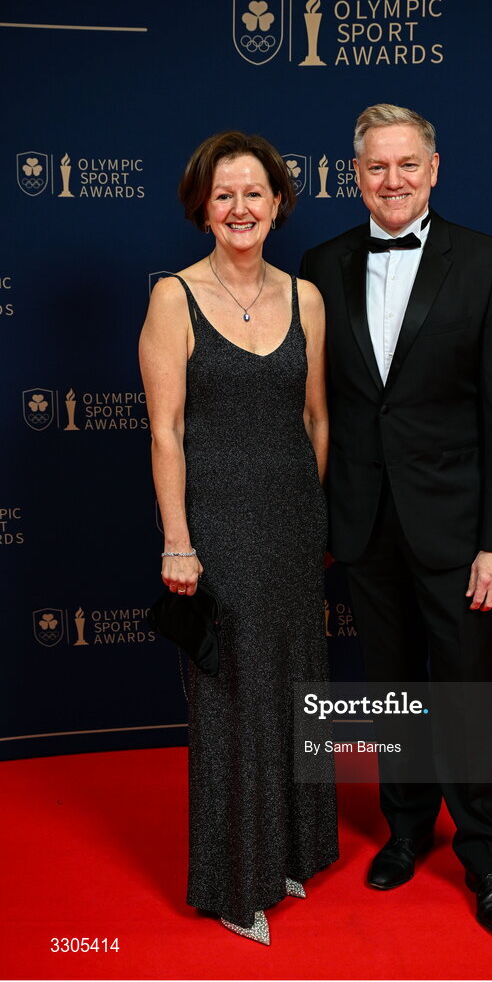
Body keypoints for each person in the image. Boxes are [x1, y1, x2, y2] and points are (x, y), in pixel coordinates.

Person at [300, 104, 492, 937]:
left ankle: (485, 859)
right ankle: (404, 830)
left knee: (466, 693)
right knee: (390, 685)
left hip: (460, 527)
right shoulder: (319, 265)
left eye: (407, 165)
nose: (392, 180)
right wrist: (316, 521)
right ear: (353, 175)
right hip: (363, 520)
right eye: (376, 167)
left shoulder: (487, 263)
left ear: (435, 169)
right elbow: (313, 407)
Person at [139, 131, 338, 945]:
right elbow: (166, 431)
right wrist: (178, 541)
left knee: (292, 684)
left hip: (293, 524)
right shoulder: (171, 297)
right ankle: (232, 883)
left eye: (254, 192)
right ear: (202, 207)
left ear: (279, 201)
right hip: (216, 525)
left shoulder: (308, 298)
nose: (240, 208)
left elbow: (317, 417)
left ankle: (290, 854)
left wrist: (309, 508)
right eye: (224, 195)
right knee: (231, 700)